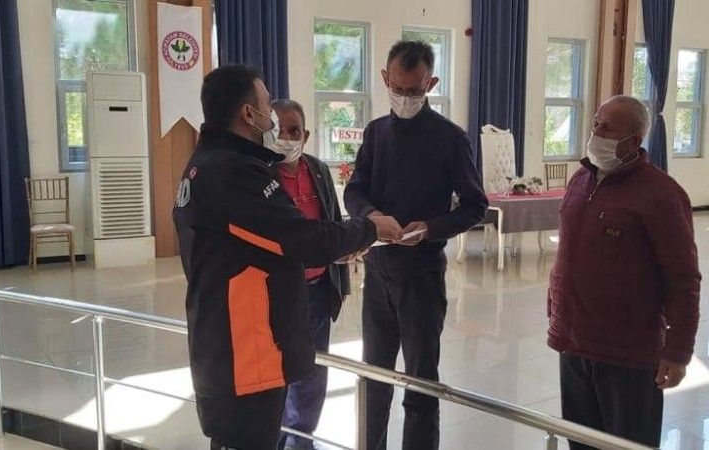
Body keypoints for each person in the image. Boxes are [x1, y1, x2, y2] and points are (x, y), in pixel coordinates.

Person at [173, 65, 403, 450]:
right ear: (249, 114)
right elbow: (302, 239)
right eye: (267, 108)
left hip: (228, 347)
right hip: (246, 355)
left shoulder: (204, 164)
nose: (273, 122)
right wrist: (371, 227)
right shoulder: (234, 173)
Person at [344, 40, 488, 450]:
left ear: (431, 83)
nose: (405, 97)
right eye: (398, 88)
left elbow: (475, 205)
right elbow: (354, 190)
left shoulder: (450, 138)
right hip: (378, 276)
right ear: (385, 78)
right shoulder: (375, 133)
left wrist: (432, 227)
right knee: (374, 378)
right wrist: (372, 216)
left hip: (421, 278)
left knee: (421, 383)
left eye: (414, 90)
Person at [546, 95, 702, 449]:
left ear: (633, 141)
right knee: (581, 442)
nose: (596, 132)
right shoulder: (580, 181)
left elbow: (683, 278)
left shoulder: (661, 195)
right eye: (596, 123)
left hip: (627, 353)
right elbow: (569, 254)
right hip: (574, 343)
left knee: (627, 444)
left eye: (607, 128)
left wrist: (678, 351)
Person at [269, 99, 351, 450]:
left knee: (314, 370)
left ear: (305, 135)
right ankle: (275, 439)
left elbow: (332, 222)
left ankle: (303, 439)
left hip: (318, 289)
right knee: (278, 371)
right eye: (279, 130)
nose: (287, 137)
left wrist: (344, 255)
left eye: (294, 131)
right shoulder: (259, 174)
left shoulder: (317, 169)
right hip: (278, 294)